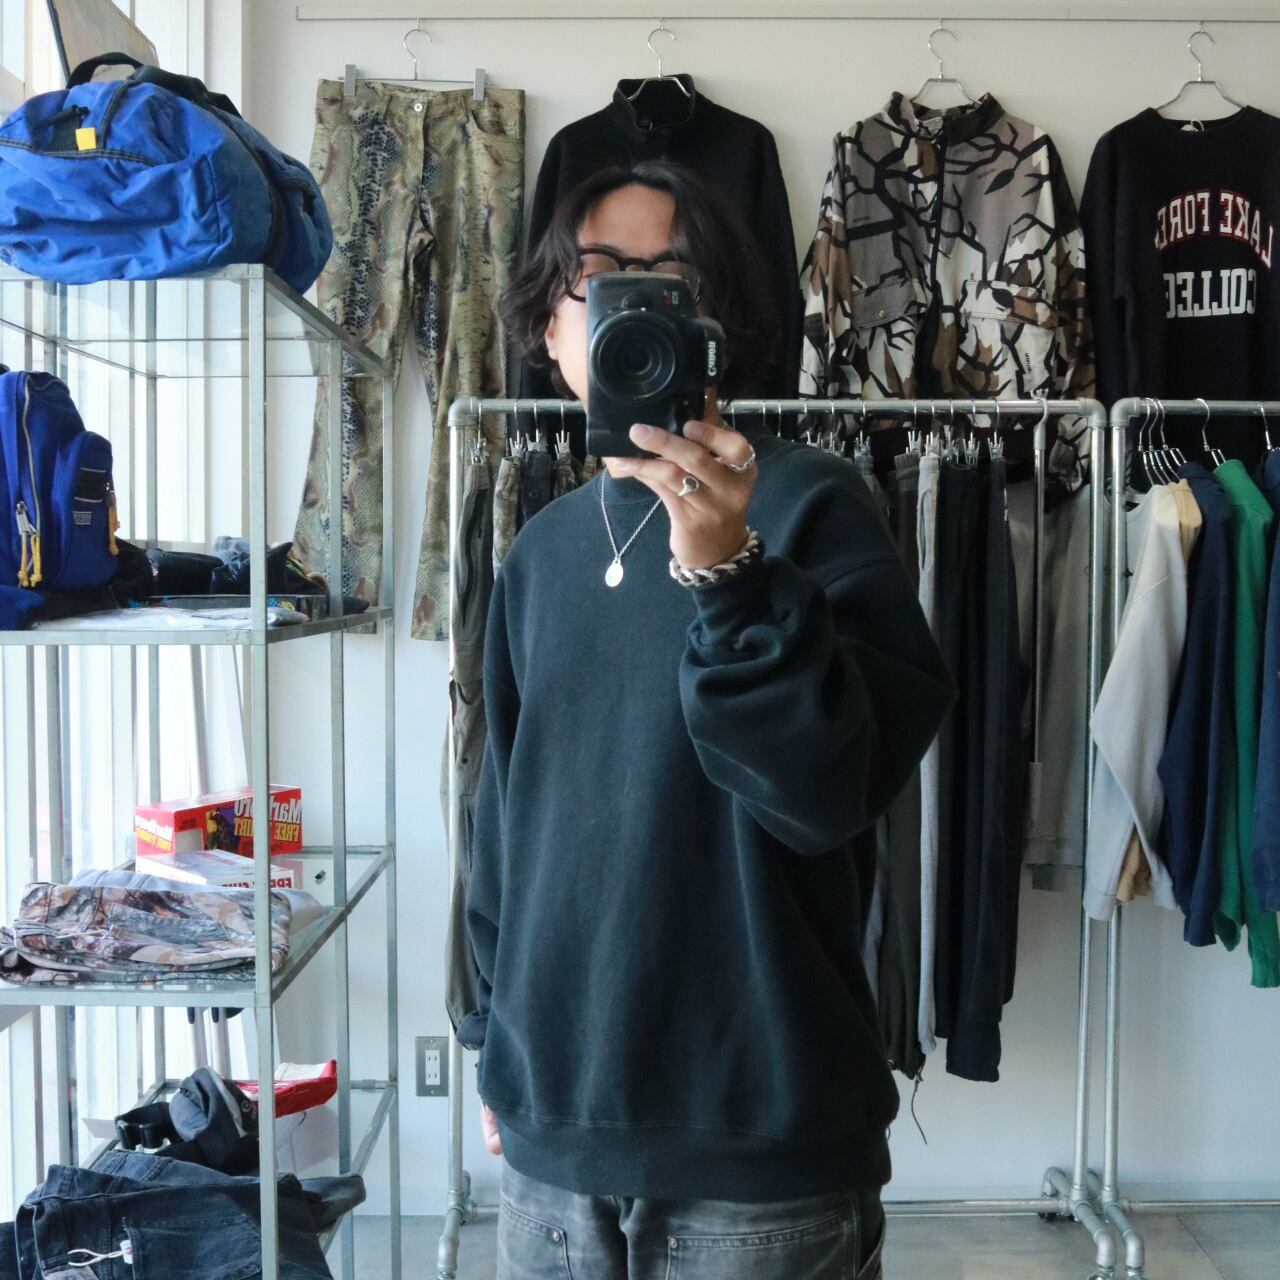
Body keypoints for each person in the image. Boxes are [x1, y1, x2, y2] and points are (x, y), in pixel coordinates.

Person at [457, 158, 955, 1280]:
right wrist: (491, 1039)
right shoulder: (537, 553)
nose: (628, 307)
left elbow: (823, 793)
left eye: (668, 282)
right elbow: (504, 825)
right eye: (599, 277)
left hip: (760, 1142)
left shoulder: (814, 506)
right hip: (553, 1138)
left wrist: (730, 575)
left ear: (714, 329)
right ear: (549, 327)